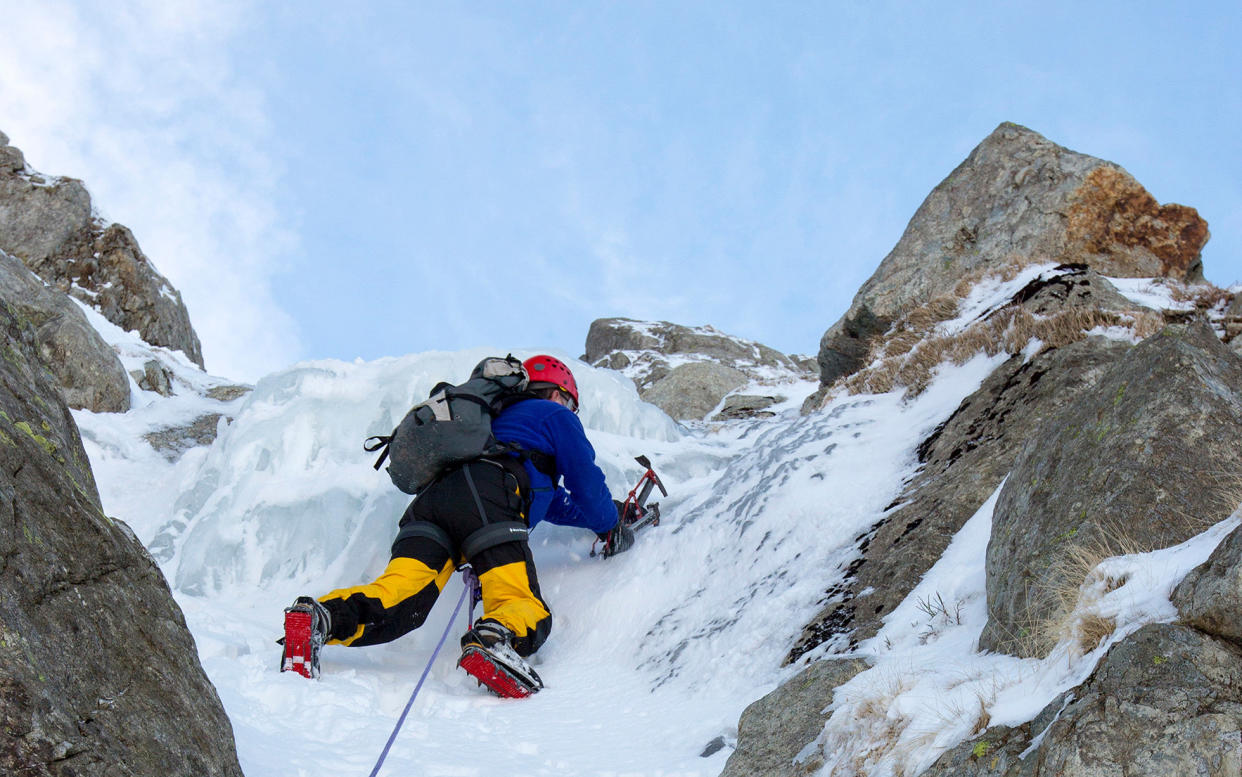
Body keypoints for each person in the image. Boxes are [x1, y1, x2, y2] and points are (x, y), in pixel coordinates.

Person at [282, 354, 633, 692]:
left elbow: (556, 503)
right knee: (522, 605)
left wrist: (610, 512)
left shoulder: (489, 425)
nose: (571, 413)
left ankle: (320, 618)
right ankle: (495, 637)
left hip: (431, 506)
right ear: (558, 394)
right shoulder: (552, 416)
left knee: (399, 600)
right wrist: (610, 523)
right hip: (489, 499)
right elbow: (585, 483)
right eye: (571, 404)